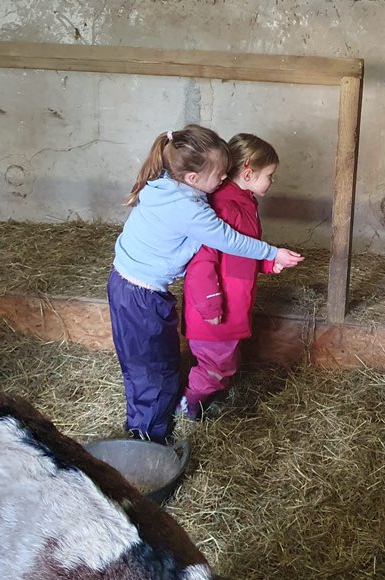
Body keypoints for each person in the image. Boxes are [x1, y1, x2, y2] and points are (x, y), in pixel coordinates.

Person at [108, 125, 302, 444]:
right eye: (220, 174)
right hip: (139, 293)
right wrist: (271, 253)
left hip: (133, 284)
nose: (225, 179)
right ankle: (147, 437)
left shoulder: (168, 183)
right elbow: (228, 241)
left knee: (157, 359)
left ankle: (157, 416)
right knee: (149, 367)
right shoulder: (192, 209)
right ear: (194, 178)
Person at [180, 133, 283, 420]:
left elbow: (241, 252)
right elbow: (202, 262)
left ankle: (203, 399)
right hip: (216, 309)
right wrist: (211, 305)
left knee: (222, 362)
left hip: (234, 303)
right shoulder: (223, 208)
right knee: (215, 366)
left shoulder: (244, 202)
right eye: (270, 175)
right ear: (248, 172)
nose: (272, 181)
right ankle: (187, 408)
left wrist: (265, 264)